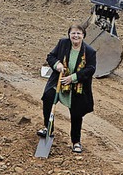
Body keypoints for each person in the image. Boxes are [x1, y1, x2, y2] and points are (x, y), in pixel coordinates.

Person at [38, 22, 96, 154]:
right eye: (73, 33)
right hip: (59, 82)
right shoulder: (63, 44)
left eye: (78, 33)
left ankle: (76, 142)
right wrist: (57, 64)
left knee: (76, 114)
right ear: (69, 35)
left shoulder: (90, 52)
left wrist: (73, 78)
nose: (75, 36)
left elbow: (91, 69)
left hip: (77, 87)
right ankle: (48, 128)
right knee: (48, 97)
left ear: (83, 35)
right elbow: (50, 57)